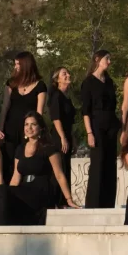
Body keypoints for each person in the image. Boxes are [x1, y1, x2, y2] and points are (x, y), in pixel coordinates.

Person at [0, 112, 80, 226]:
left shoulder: (49, 148)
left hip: (41, 191)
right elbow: (16, 176)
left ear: (41, 128)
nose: (29, 128)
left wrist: (68, 199)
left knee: (2, 194)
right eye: (26, 124)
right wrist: (8, 192)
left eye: (33, 124)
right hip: (24, 188)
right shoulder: (20, 148)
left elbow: (59, 175)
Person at [81, 50, 119, 208]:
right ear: (97, 59)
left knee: (110, 164)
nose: (109, 62)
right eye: (107, 59)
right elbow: (85, 111)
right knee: (98, 163)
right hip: (96, 126)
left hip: (111, 126)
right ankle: (94, 204)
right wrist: (89, 132)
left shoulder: (109, 82)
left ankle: (108, 203)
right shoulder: (88, 82)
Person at [0, 51, 45, 161]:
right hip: (10, 128)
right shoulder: (11, 83)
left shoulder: (40, 86)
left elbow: (39, 113)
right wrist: (0, 128)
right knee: (9, 159)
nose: (15, 67)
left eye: (18, 64)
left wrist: (38, 132)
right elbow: (5, 107)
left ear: (26, 64)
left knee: (27, 159)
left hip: (28, 129)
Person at [47, 67, 77, 200]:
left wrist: (72, 138)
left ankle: (65, 199)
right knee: (60, 167)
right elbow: (56, 119)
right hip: (59, 136)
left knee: (66, 166)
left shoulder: (67, 98)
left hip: (67, 135)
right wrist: (63, 137)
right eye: (64, 74)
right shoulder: (57, 96)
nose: (68, 75)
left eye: (68, 73)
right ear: (57, 79)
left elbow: (70, 121)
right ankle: (58, 200)